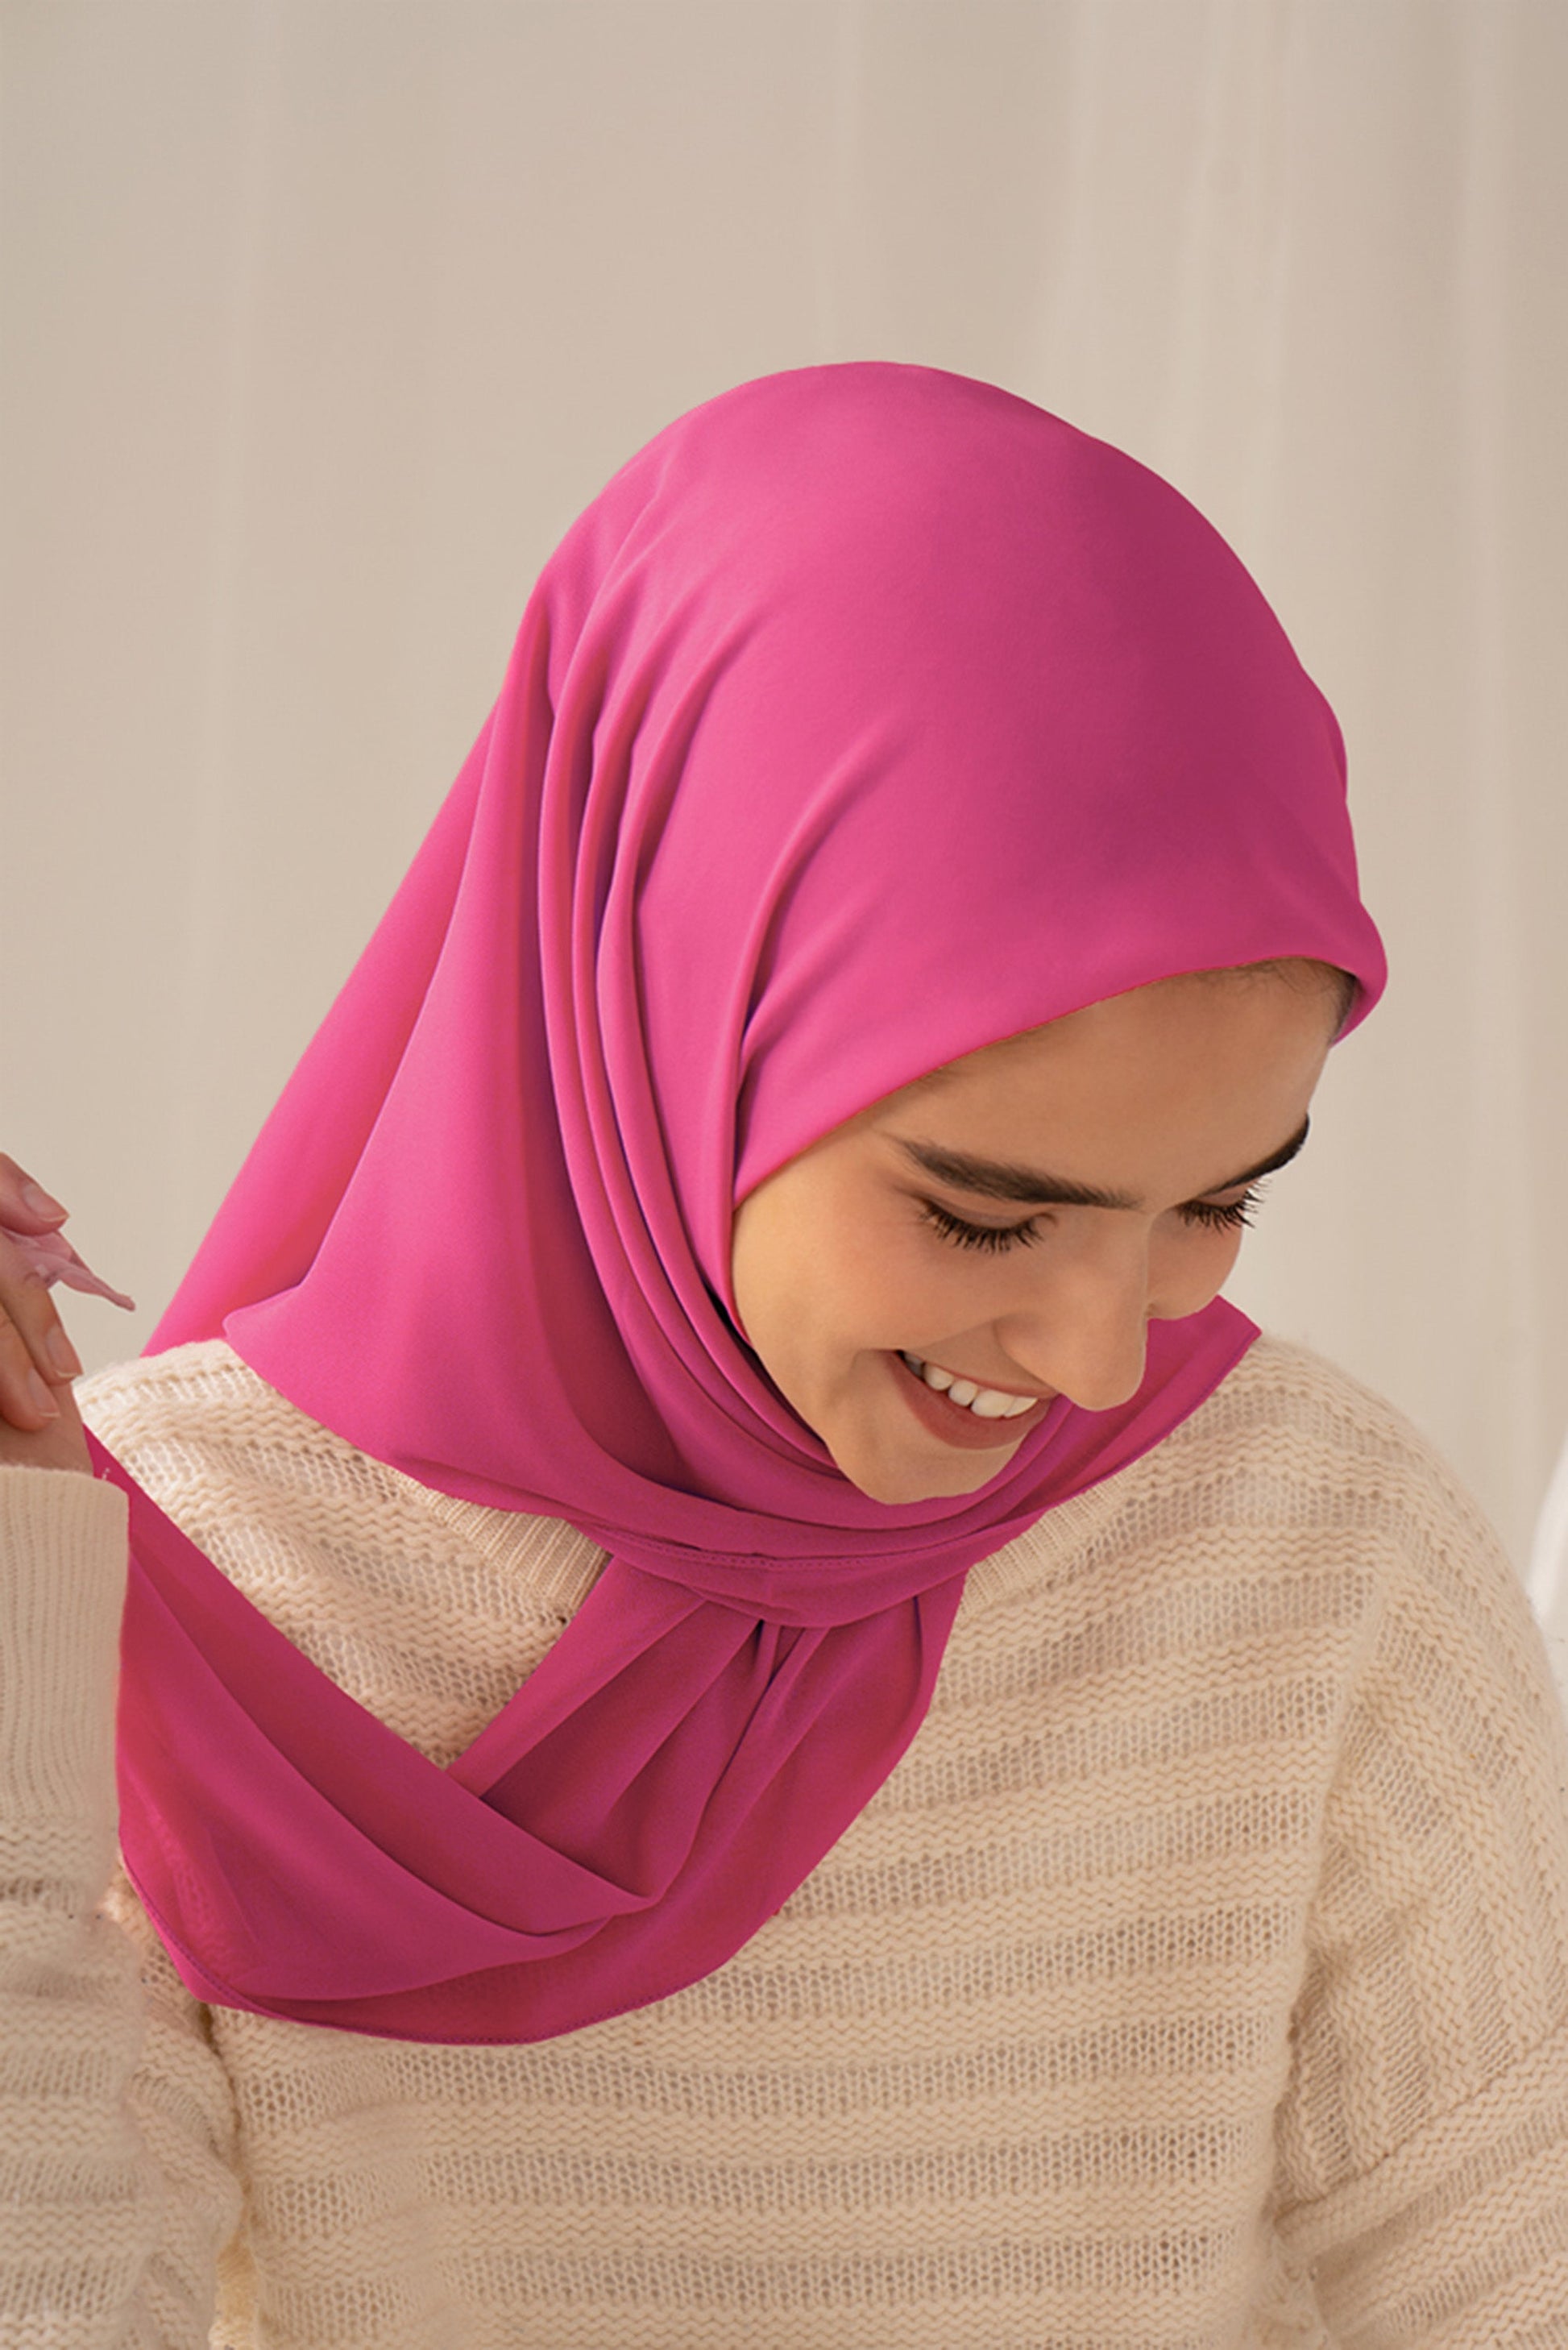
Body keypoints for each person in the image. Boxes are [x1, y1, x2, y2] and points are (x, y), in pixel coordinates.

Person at [2, 363, 1565, 2348]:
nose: (1100, 1364)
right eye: (984, 1217)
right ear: (654, 1026)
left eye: (1213, 1200)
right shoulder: (169, 1570)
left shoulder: (1315, 1552)